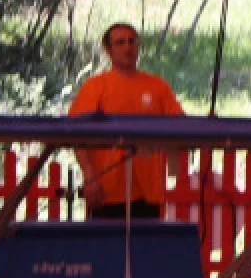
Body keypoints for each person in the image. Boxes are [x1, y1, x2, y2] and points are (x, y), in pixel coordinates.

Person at [68, 23, 185, 219]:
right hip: (107, 190)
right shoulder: (95, 86)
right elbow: (77, 135)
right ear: (108, 50)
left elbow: (180, 126)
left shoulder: (158, 86)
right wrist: (89, 176)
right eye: (120, 43)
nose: (127, 47)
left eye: (132, 42)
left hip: (148, 192)